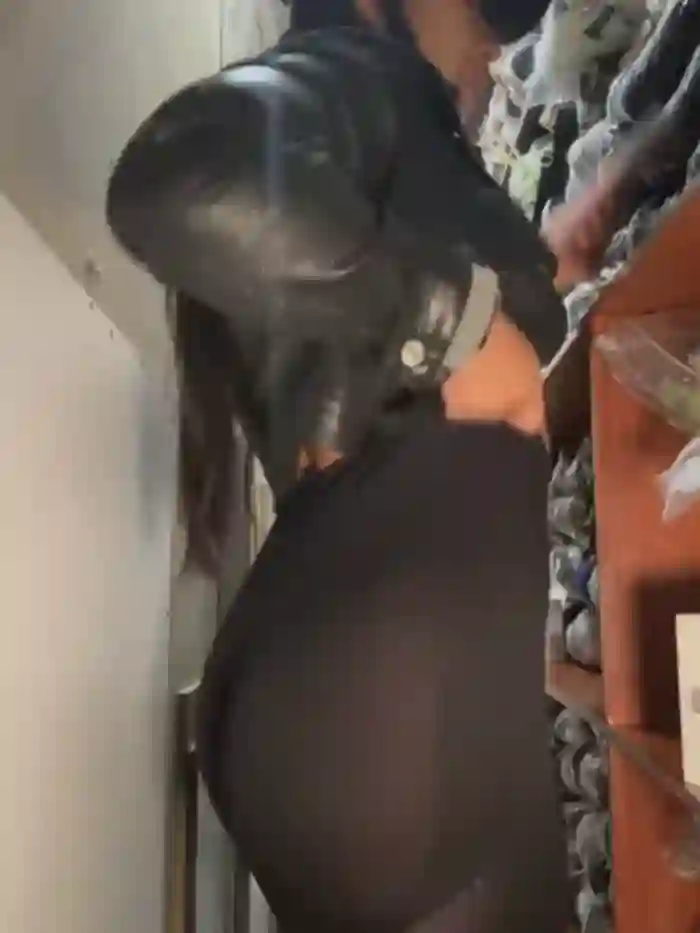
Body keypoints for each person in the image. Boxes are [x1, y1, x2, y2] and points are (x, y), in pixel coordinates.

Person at [106, 1, 573, 931]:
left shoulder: (366, 125)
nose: (501, 37)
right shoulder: (357, 70)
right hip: (393, 686)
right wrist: (459, 327)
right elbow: (177, 183)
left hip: (366, 674)